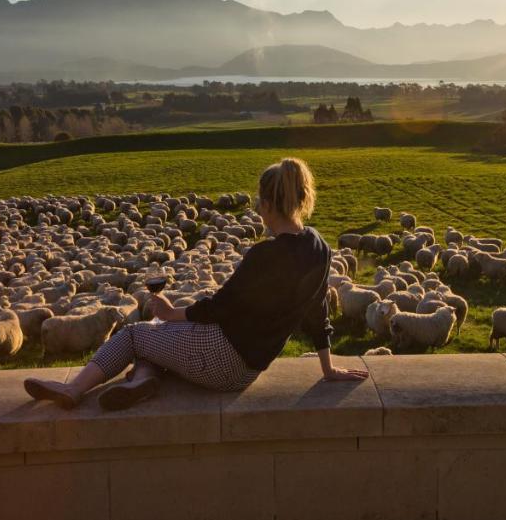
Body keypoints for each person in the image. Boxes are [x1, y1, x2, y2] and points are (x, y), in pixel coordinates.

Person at [24, 157, 367, 410]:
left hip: (220, 360)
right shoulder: (318, 246)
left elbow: (221, 307)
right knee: (157, 337)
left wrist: (174, 313)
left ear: (267, 205)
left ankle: (74, 390)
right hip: (248, 370)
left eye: (260, 206)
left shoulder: (265, 255)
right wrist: (328, 367)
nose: (259, 213)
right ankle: (144, 380)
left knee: (134, 334)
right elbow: (317, 310)